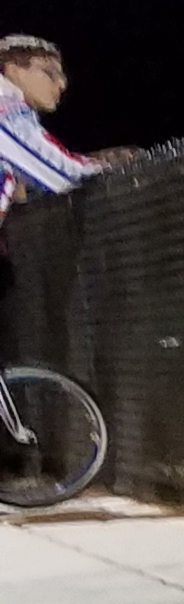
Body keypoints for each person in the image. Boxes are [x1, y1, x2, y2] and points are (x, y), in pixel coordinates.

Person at [0, 36, 126, 368]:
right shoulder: (5, 107)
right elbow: (60, 173)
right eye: (49, 72)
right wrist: (112, 163)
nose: (61, 83)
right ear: (13, 69)